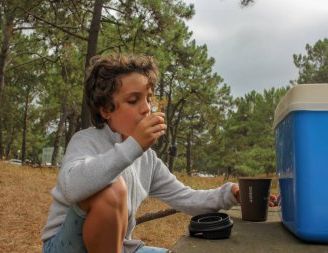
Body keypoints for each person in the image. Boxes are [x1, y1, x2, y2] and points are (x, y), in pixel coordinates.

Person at [41, 54, 243, 253]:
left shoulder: (147, 160)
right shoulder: (86, 140)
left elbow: (186, 198)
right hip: (64, 246)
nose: (146, 109)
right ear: (105, 110)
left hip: (117, 248)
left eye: (148, 98)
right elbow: (71, 187)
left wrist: (229, 193)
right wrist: (134, 146)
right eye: (133, 100)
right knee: (112, 189)